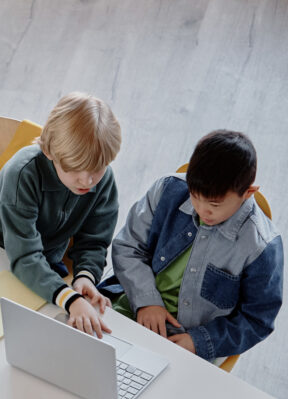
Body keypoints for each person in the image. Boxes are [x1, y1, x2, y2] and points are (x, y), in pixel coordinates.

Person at [108, 130, 282, 360]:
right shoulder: (166, 190)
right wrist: (147, 301)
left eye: (214, 204)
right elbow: (127, 246)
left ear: (248, 193)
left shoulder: (261, 246)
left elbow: (257, 319)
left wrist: (197, 341)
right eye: (194, 195)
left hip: (190, 344)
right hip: (133, 305)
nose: (201, 210)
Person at [0, 92, 122, 338]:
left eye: (97, 169)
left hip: (37, 267)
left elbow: (94, 241)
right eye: (74, 169)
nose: (87, 181)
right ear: (49, 152)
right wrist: (69, 299)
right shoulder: (22, 173)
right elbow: (24, 256)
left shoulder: (103, 182)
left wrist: (86, 277)